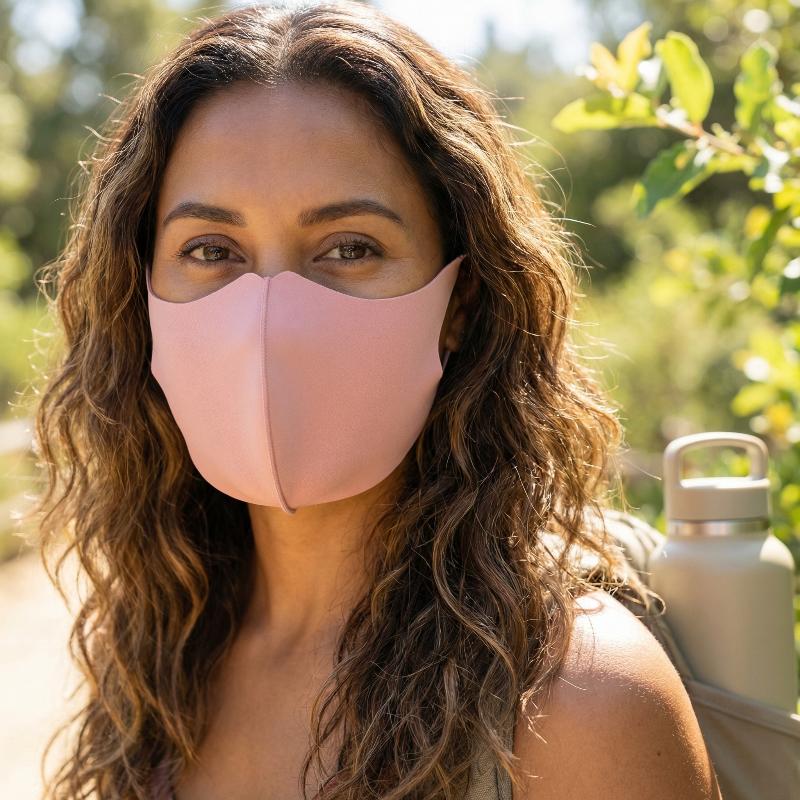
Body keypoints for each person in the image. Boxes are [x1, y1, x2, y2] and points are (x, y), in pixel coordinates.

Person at [30, 2, 721, 798]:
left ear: (462, 300)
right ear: (140, 291)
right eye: (211, 249)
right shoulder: (159, 660)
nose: (272, 319)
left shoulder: (580, 700)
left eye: (350, 247)